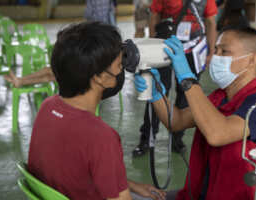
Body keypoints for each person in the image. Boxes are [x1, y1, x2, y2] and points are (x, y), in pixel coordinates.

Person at [134, 27, 256, 199]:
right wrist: (157, 93)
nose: (216, 57)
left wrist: (187, 79)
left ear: (251, 60)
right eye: (215, 50)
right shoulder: (219, 97)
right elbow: (177, 122)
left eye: (224, 51)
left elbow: (217, 134)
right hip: (198, 194)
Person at [28, 22, 165, 200]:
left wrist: (129, 185)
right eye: (119, 63)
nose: (122, 67)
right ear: (99, 77)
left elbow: (79, 169)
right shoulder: (101, 137)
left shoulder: (48, 106)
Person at [132, 0, 218, 157]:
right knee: (155, 93)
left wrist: (211, 51)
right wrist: (153, 44)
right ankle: (146, 139)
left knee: (187, 95)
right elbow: (155, 16)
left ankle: (177, 139)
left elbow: (211, 22)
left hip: (193, 49)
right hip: (166, 47)